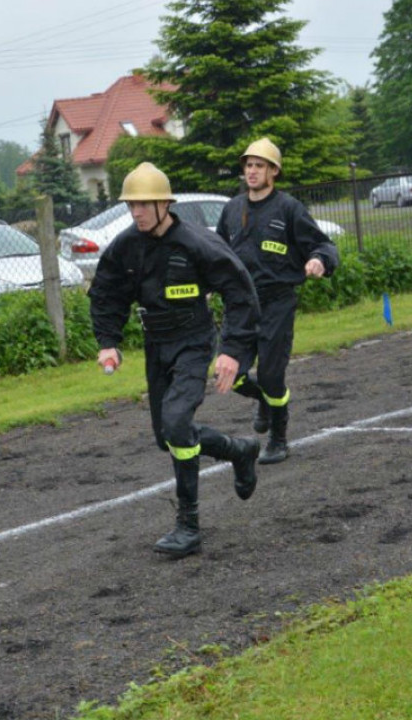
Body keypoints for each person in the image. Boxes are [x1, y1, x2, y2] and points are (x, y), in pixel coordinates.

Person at [89, 162, 262, 559]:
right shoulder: (126, 246)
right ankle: (239, 451)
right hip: (156, 344)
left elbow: (240, 293)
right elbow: (106, 294)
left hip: (194, 341)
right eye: (131, 206)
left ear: (165, 203)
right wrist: (109, 341)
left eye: (144, 205)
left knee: (177, 423)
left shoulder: (198, 243)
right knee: (167, 436)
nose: (137, 213)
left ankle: (188, 525)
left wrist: (232, 351)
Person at [216, 137, 340, 465]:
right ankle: (266, 402)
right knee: (232, 374)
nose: (252, 171)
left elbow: (324, 246)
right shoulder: (231, 210)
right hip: (239, 306)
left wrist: (319, 261)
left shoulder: (288, 209)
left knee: (272, 377)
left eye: (259, 166)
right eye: (248, 165)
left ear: (273, 171)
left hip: (276, 304)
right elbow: (215, 253)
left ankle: (279, 438)